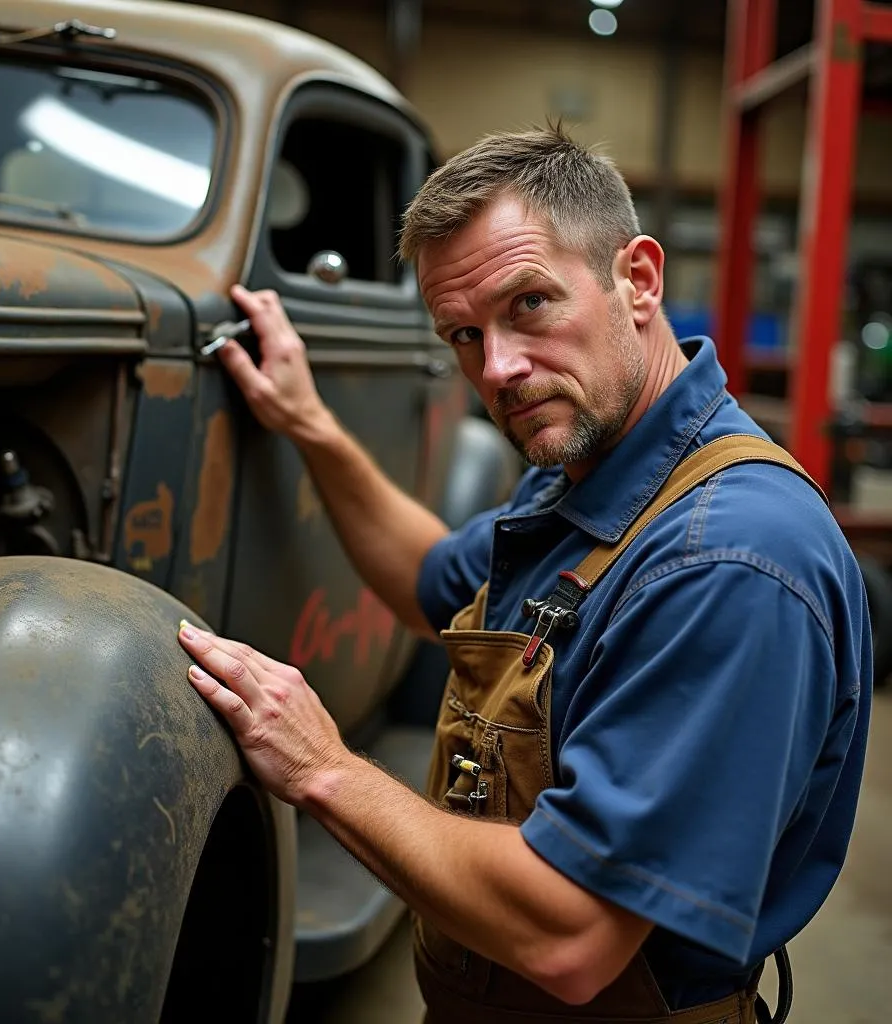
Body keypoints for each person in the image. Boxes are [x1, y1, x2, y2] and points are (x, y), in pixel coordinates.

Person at [176, 124, 871, 1024]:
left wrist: (321, 767)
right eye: (464, 334)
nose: (498, 368)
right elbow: (430, 580)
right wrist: (310, 424)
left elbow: (572, 937)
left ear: (639, 280)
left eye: (531, 303)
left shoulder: (730, 559)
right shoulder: (587, 464)